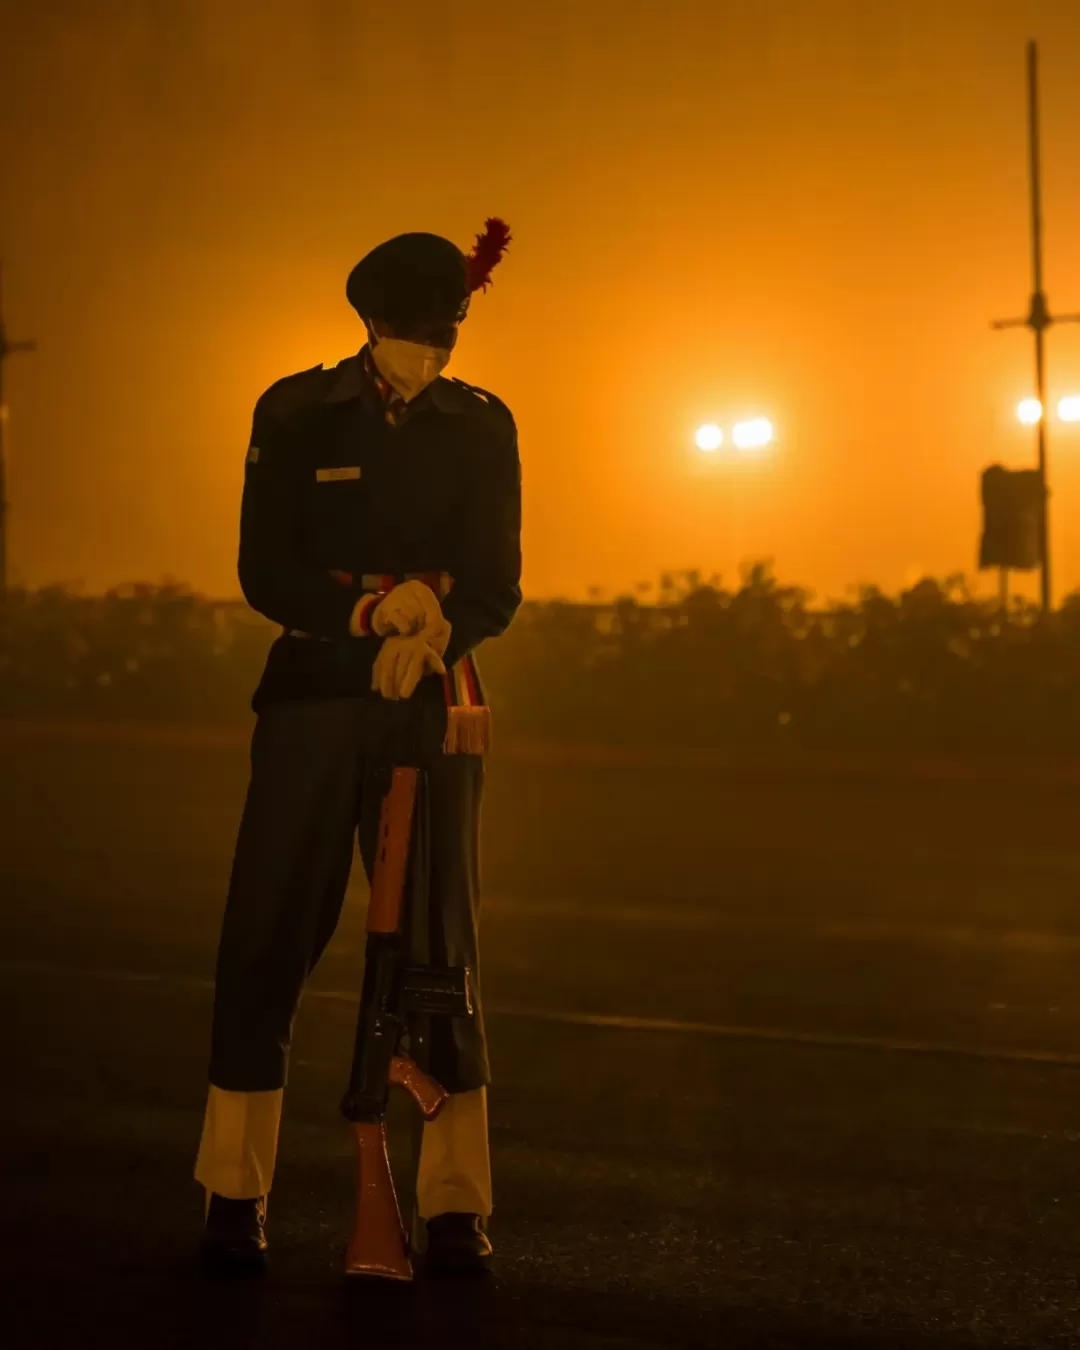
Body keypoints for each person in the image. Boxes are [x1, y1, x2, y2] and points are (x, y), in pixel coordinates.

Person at [194, 219, 521, 1277]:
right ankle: (233, 1190)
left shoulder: (480, 424)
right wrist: (371, 611)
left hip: (429, 704)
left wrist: (435, 625)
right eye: (425, 327)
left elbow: (496, 579)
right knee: (266, 939)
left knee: (439, 955)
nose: (441, 345)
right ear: (373, 321)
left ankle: (456, 1206)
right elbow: (264, 569)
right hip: (314, 701)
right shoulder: (296, 412)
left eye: (452, 327)